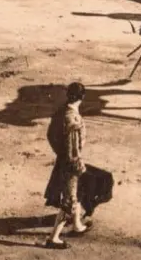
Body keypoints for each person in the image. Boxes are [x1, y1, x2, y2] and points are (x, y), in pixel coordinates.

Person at [44, 82, 90, 250]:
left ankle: (77, 225)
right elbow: (73, 149)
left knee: (74, 193)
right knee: (70, 199)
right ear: (82, 97)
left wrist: (59, 151)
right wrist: (77, 164)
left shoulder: (60, 112)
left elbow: (50, 135)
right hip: (70, 164)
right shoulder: (73, 119)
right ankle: (53, 238)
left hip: (63, 159)